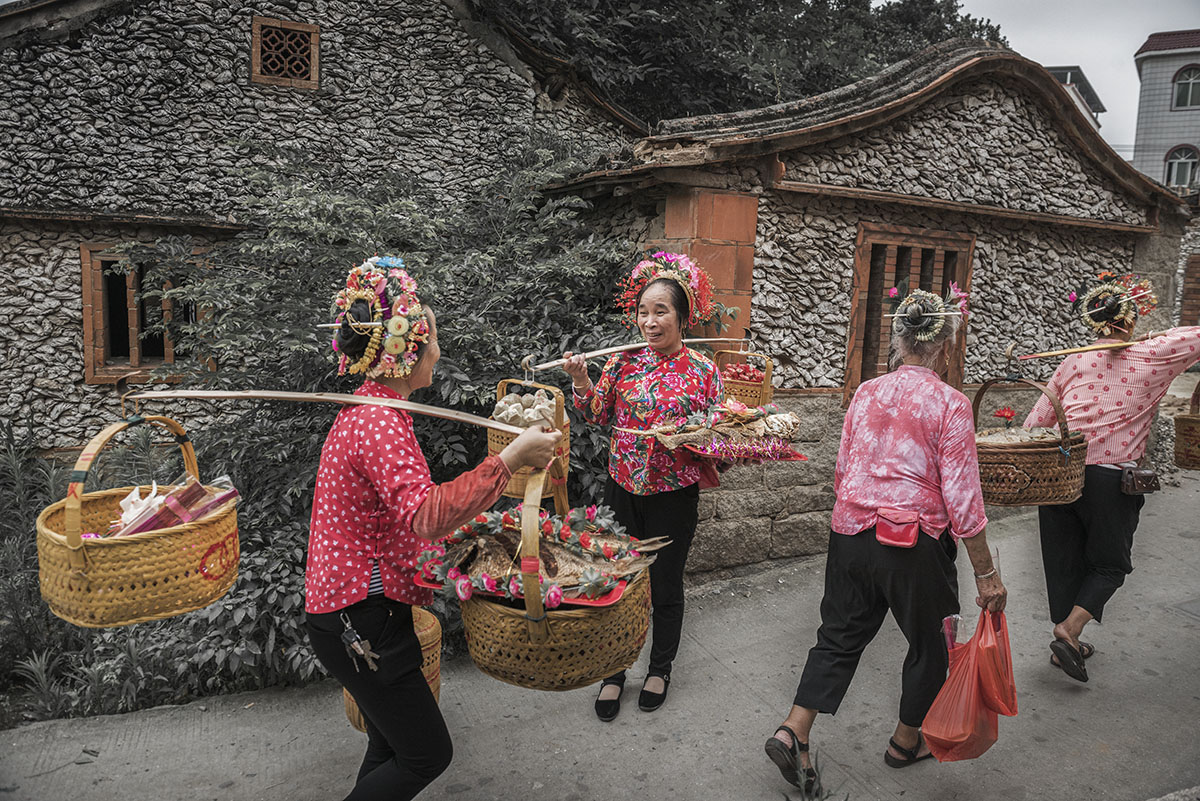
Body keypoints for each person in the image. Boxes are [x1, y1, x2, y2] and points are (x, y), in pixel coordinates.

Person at [305, 256, 561, 801]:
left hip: (349, 611)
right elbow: (425, 516)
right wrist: (510, 459)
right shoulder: (376, 421)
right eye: (434, 341)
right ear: (409, 351)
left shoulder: (370, 409)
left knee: (388, 746)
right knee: (427, 754)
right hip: (360, 618)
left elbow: (402, 516)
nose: (439, 354)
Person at [764, 287, 1007, 795]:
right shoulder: (951, 404)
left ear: (898, 338)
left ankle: (794, 729)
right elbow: (963, 499)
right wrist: (987, 574)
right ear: (944, 345)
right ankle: (904, 742)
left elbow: (843, 470)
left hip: (850, 532)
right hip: (913, 542)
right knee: (929, 643)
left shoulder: (867, 393)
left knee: (838, 634)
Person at [563, 252, 724, 722]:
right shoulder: (622, 361)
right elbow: (595, 414)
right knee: (618, 578)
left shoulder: (704, 370)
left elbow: (721, 437)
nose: (649, 322)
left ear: (683, 316)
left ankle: (660, 668)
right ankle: (615, 670)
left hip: (674, 493)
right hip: (622, 488)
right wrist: (580, 379)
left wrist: (699, 443)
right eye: (643, 312)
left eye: (661, 312)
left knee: (665, 582)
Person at [1023, 273, 1200, 683]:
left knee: (1065, 560)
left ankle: (1066, 644)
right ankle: (1069, 629)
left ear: (1093, 321)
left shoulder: (1072, 361)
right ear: (1131, 317)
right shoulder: (1153, 354)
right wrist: (1157, 336)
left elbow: (1037, 422)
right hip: (1109, 478)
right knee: (1109, 565)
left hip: (1059, 476)